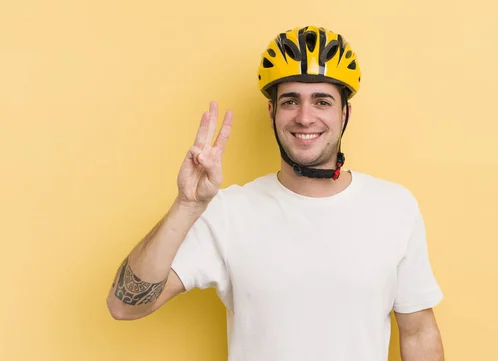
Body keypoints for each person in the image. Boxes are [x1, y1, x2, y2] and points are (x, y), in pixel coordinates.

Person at [106, 25, 445, 361]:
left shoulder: (394, 207)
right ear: (272, 113)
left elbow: (418, 333)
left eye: (322, 101)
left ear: (345, 114)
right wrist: (187, 204)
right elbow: (124, 306)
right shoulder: (229, 212)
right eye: (290, 101)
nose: (304, 117)